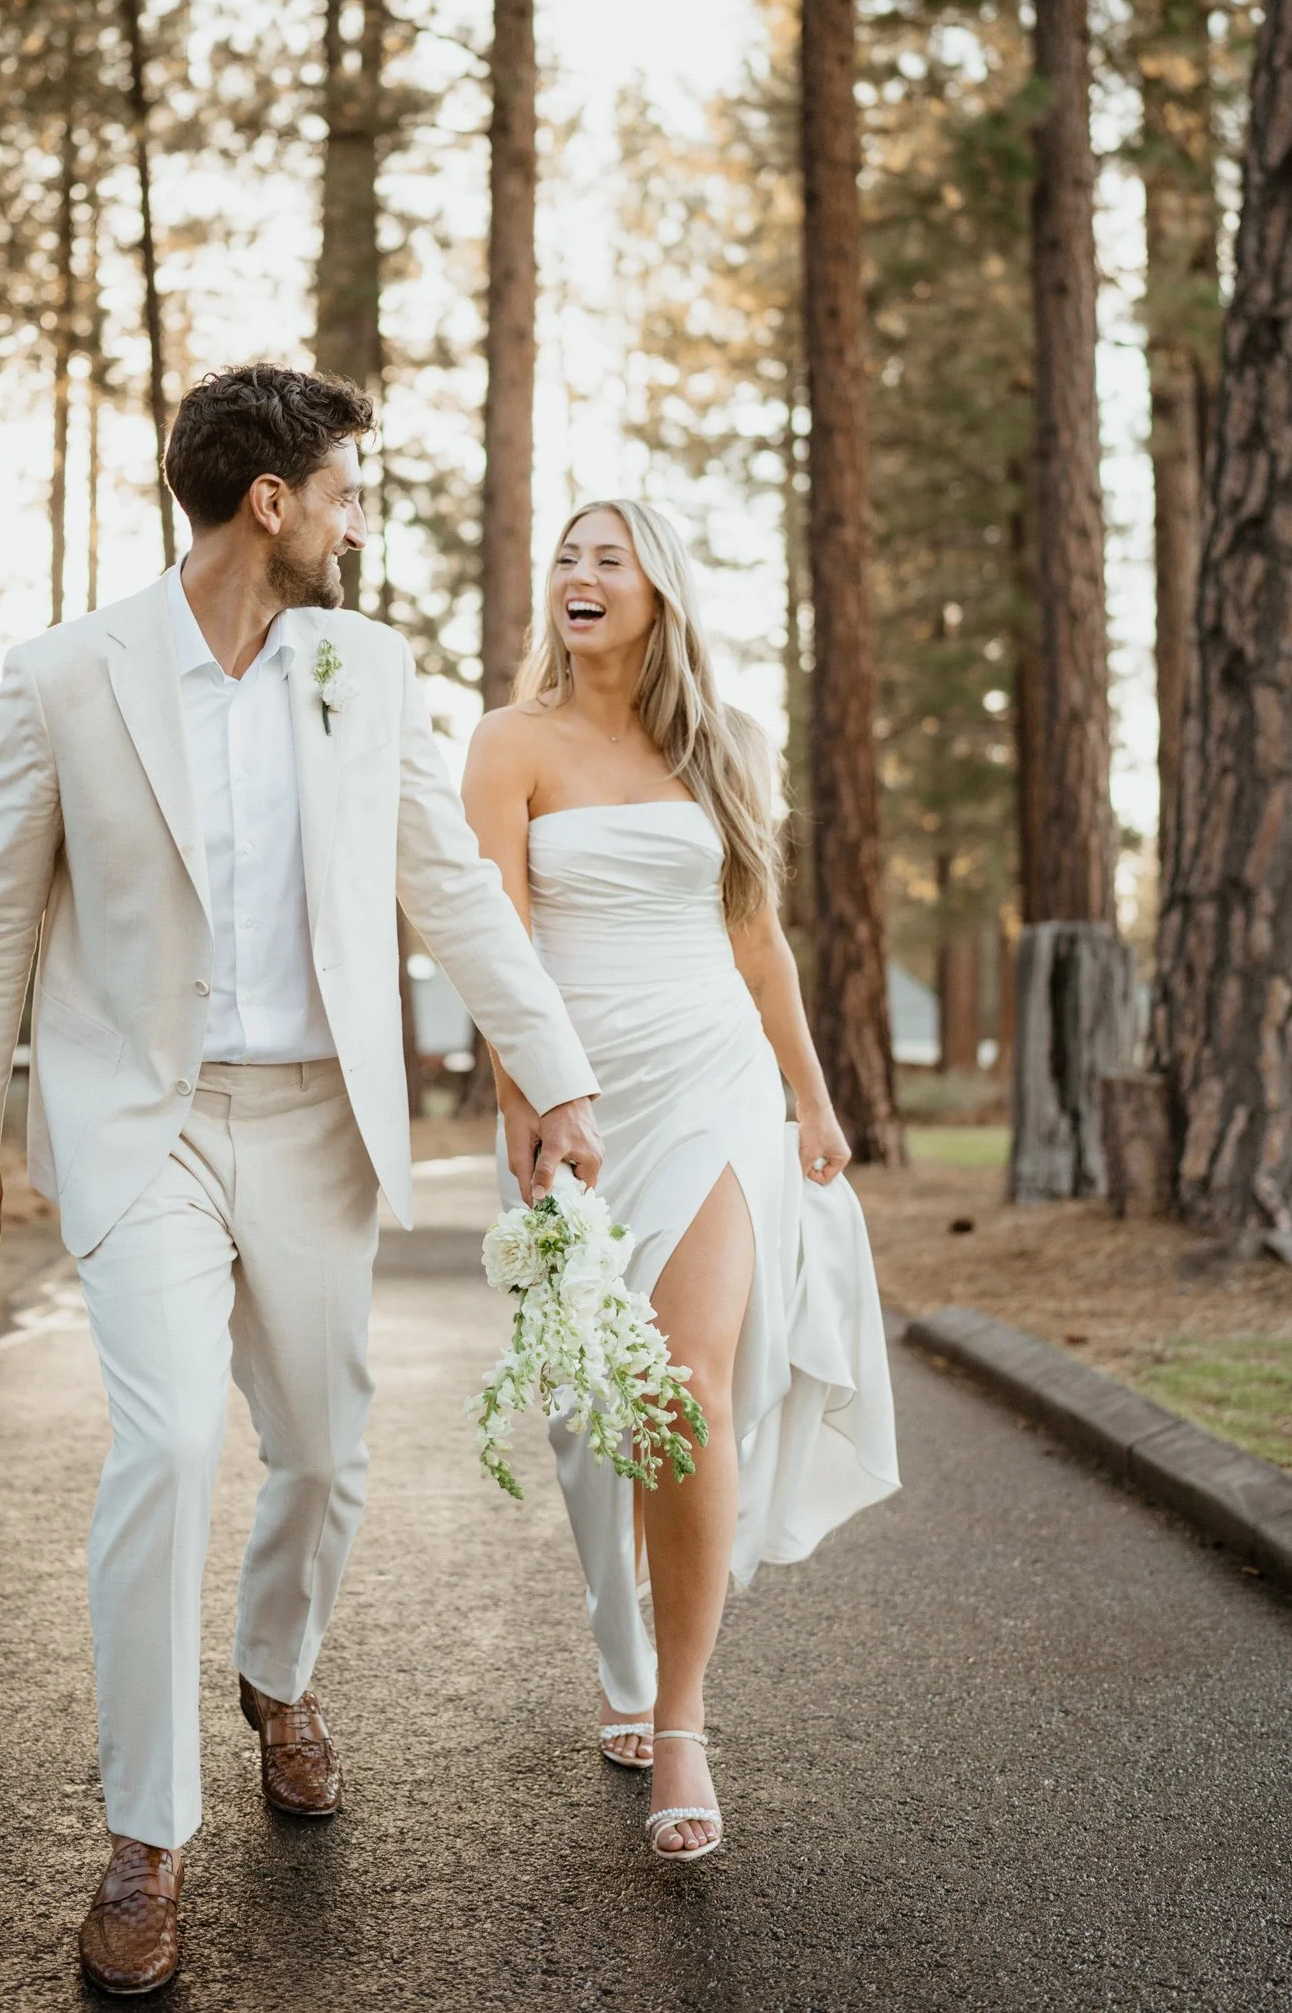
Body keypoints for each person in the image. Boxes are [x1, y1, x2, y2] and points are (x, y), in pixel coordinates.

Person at [0, 365, 603, 1994]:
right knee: (163, 1444)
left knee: (323, 1449)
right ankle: (145, 1843)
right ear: (270, 503)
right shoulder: (63, 676)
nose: (359, 518)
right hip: (139, 1120)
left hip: (316, 1122)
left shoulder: (362, 670)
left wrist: (556, 1072)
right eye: (347, 489)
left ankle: (277, 1678)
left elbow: (447, 888)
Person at [462, 497, 899, 1864]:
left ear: (660, 590)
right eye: (567, 559)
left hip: (712, 1078)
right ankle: (617, 1638)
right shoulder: (506, 744)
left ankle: (685, 1712)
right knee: (599, 1415)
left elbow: (755, 940)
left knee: (686, 1384)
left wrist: (813, 1100)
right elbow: (494, 950)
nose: (580, 577)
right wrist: (527, 1103)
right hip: (574, 1090)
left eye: (611, 558)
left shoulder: (729, 744)